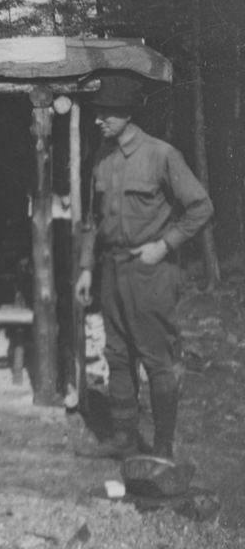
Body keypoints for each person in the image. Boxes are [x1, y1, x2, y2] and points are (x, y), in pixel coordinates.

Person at [74, 76, 213, 460]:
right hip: (112, 269)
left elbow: (200, 206)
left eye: (107, 112)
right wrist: (86, 268)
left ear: (128, 114)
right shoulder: (101, 159)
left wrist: (164, 244)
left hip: (150, 272)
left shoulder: (161, 155)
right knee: (117, 354)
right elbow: (91, 220)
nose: (99, 119)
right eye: (97, 112)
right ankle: (124, 438)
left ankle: (163, 448)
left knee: (156, 358)